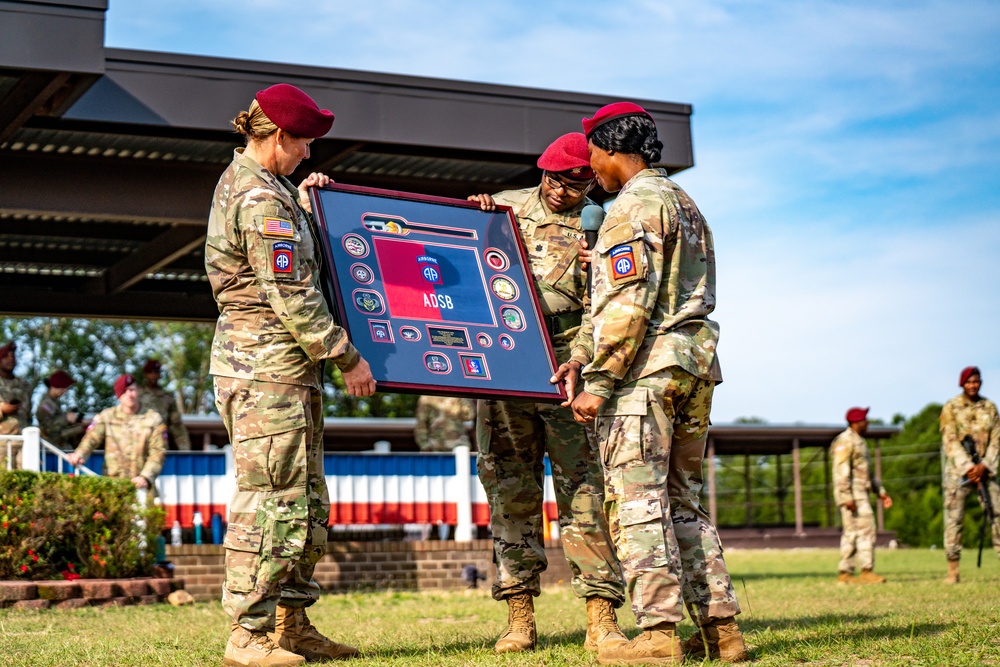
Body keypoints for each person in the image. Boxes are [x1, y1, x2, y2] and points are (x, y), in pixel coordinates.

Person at [565, 102, 747, 664]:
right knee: (684, 504)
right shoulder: (684, 204)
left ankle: (658, 636)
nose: (589, 164)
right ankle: (722, 633)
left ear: (615, 147)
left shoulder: (632, 205)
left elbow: (629, 304)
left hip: (645, 376)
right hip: (694, 367)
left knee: (638, 502)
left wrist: (598, 380)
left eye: (592, 151)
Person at [206, 83, 376, 667]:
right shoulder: (257, 198)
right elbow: (291, 292)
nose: (309, 153)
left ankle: (291, 624)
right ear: (279, 135)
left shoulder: (274, 190)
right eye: (304, 143)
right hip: (263, 369)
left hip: (286, 370)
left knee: (303, 500)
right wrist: (344, 354)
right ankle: (247, 635)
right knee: (270, 500)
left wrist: (309, 204)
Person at [468, 132, 627, 655]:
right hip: (505, 364)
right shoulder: (504, 208)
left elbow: (603, 308)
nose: (564, 193)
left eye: (577, 184)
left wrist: (579, 359)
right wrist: (470, 218)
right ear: (544, 173)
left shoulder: (604, 223)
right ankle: (519, 615)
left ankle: (601, 616)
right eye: (557, 181)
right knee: (510, 489)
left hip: (568, 365)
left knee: (585, 493)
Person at [939, 366, 1000, 583]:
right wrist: (968, 467)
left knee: (997, 515)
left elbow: (996, 440)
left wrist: (984, 465)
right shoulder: (951, 408)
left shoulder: (990, 408)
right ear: (962, 384)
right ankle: (953, 571)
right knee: (954, 520)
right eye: (969, 382)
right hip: (958, 473)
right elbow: (950, 441)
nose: (973, 385)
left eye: (976, 381)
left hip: (986, 472)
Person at [67, 374, 166, 489]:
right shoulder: (107, 416)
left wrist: (146, 477)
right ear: (118, 395)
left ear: (138, 391)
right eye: (124, 391)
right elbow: (92, 438)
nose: (129, 394)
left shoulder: (153, 419)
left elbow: (158, 452)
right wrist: (79, 454)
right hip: (113, 487)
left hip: (141, 487)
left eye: (132, 389)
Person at [831, 407, 892, 584]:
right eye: (865, 420)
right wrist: (846, 496)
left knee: (852, 532)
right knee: (866, 529)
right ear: (855, 422)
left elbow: (868, 473)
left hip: (861, 493)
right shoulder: (845, 441)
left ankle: (845, 572)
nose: (868, 423)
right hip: (852, 495)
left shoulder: (860, 442)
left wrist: (880, 492)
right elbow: (840, 471)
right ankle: (866, 570)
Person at [138, 359, 192, 451]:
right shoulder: (136, 395)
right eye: (150, 372)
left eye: (156, 372)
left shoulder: (167, 398)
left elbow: (177, 426)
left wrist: (185, 450)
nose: (154, 375)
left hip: (159, 446)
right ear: (145, 374)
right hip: (138, 443)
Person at [0, 342, 33, 470]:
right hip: (2, 443)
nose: (10, 359)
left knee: (25, 481)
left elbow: (29, 414)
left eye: (13, 356)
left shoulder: (24, 385)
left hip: (23, 441)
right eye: (5, 357)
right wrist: (2, 409)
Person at [35, 370, 85, 452]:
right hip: (52, 442)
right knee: (83, 429)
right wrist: (66, 418)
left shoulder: (54, 402)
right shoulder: (46, 404)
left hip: (59, 440)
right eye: (62, 388)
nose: (65, 391)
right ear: (54, 386)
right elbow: (49, 428)